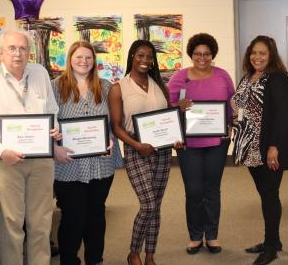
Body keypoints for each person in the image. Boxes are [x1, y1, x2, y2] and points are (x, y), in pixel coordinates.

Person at [0, 30, 61, 265]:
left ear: (29, 52)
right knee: (12, 222)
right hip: (6, 161)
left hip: (41, 160)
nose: (18, 53)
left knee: (41, 221)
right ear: (0, 52)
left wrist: (55, 129)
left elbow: (52, 110)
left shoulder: (39, 73)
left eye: (23, 48)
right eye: (11, 48)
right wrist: (1, 152)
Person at [108, 40, 182, 265]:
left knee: (156, 205)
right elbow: (116, 126)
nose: (145, 60)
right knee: (148, 204)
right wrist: (137, 145)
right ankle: (133, 252)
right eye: (140, 55)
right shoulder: (118, 87)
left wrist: (176, 137)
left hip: (161, 150)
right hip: (135, 148)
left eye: (149, 57)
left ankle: (150, 253)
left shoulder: (159, 83)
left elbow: (167, 118)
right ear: (132, 56)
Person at [51, 40, 123, 265]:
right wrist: (54, 149)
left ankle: (95, 259)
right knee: (73, 216)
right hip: (67, 163)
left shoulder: (106, 86)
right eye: (79, 57)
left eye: (89, 57)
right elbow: (46, 124)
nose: (84, 61)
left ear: (94, 60)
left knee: (96, 214)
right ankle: (69, 260)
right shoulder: (54, 86)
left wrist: (110, 140)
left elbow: (114, 121)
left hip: (101, 163)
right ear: (70, 59)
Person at [232, 35, 288, 265]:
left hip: (268, 148)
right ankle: (273, 240)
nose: (257, 57)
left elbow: (282, 116)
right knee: (265, 194)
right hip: (249, 147)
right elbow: (239, 108)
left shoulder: (278, 78)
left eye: (262, 53)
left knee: (270, 195)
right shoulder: (248, 77)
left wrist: (274, 147)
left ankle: (271, 247)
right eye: (253, 52)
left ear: (271, 56)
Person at [167, 33, 235, 254]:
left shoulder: (223, 76)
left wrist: (230, 126)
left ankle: (212, 235)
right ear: (191, 54)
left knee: (212, 189)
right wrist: (179, 107)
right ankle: (195, 236)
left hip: (217, 141)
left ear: (212, 54)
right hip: (189, 145)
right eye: (197, 53)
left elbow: (232, 106)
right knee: (194, 191)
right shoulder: (179, 78)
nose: (202, 58)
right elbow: (167, 109)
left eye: (207, 54)